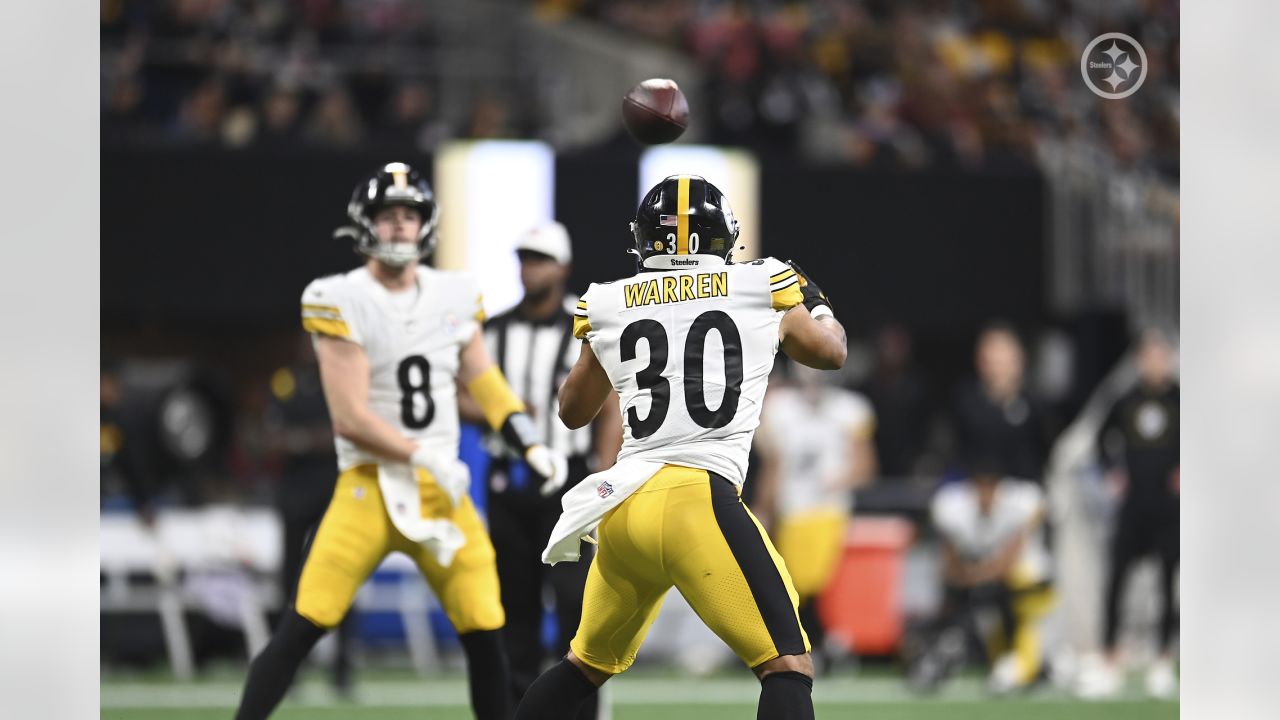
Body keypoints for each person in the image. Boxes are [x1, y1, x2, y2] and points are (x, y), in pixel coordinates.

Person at [234, 162, 568, 720]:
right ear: (365, 224)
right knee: (304, 624)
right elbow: (350, 418)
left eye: (408, 216)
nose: (398, 227)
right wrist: (423, 457)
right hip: (371, 488)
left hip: (443, 496)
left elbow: (484, 381)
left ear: (425, 225)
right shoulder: (338, 297)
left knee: (486, 630)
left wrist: (531, 444)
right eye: (387, 216)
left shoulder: (454, 293)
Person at [512, 175, 848, 720]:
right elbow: (831, 354)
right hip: (700, 498)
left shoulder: (608, 300)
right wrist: (817, 304)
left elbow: (571, 412)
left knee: (583, 665)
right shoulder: (762, 284)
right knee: (787, 666)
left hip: (625, 503)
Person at [471, 222, 621, 717]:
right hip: (509, 478)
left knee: (577, 606)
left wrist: (605, 468)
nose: (530, 268)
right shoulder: (494, 329)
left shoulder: (586, 320)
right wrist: (507, 417)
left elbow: (612, 399)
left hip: (572, 480)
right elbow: (460, 392)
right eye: (525, 258)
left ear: (562, 266)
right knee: (515, 608)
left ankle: (583, 713)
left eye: (540, 258)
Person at [752, 364, 877, 671]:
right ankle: (824, 645)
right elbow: (774, 465)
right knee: (792, 587)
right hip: (792, 512)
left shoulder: (850, 409)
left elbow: (865, 468)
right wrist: (763, 509)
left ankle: (822, 644)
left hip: (828, 511)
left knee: (808, 585)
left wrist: (839, 479)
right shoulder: (779, 408)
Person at [1078, 329, 1179, 699]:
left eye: (1160, 355)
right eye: (1148, 355)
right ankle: (1110, 658)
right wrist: (1111, 473)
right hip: (1133, 505)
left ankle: (1162, 660)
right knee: (1116, 580)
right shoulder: (1125, 399)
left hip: (1170, 509)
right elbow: (1101, 442)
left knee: (1168, 582)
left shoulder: (1182, 399)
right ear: (1138, 360)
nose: (1155, 362)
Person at [262, 333, 352, 694]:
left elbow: (345, 432)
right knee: (290, 583)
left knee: (342, 577)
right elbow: (271, 437)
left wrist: (301, 440)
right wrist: (311, 440)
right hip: (296, 495)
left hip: (334, 493)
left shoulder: (342, 382)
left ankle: (342, 667)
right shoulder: (285, 384)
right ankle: (289, 669)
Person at [918, 461, 1055, 694]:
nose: (985, 494)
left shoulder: (1020, 503)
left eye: (990, 487)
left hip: (1024, 581)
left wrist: (973, 576)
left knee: (1025, 584)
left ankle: (1028, 665)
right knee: (984, 614)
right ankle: (1002, 662)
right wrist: (968, 578)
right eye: (979, 487)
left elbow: (1008, 562)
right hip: (986, 582)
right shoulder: (954, 507)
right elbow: (950, 566)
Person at [951, 322, 1057, 483]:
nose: (997, 366)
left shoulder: (1036, 404)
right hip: (976, 490)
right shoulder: (966, 401)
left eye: (1004, 358)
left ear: (1020, 359)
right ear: (980, 361)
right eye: (992, 359)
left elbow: (1047, 450)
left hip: (1024, 490)